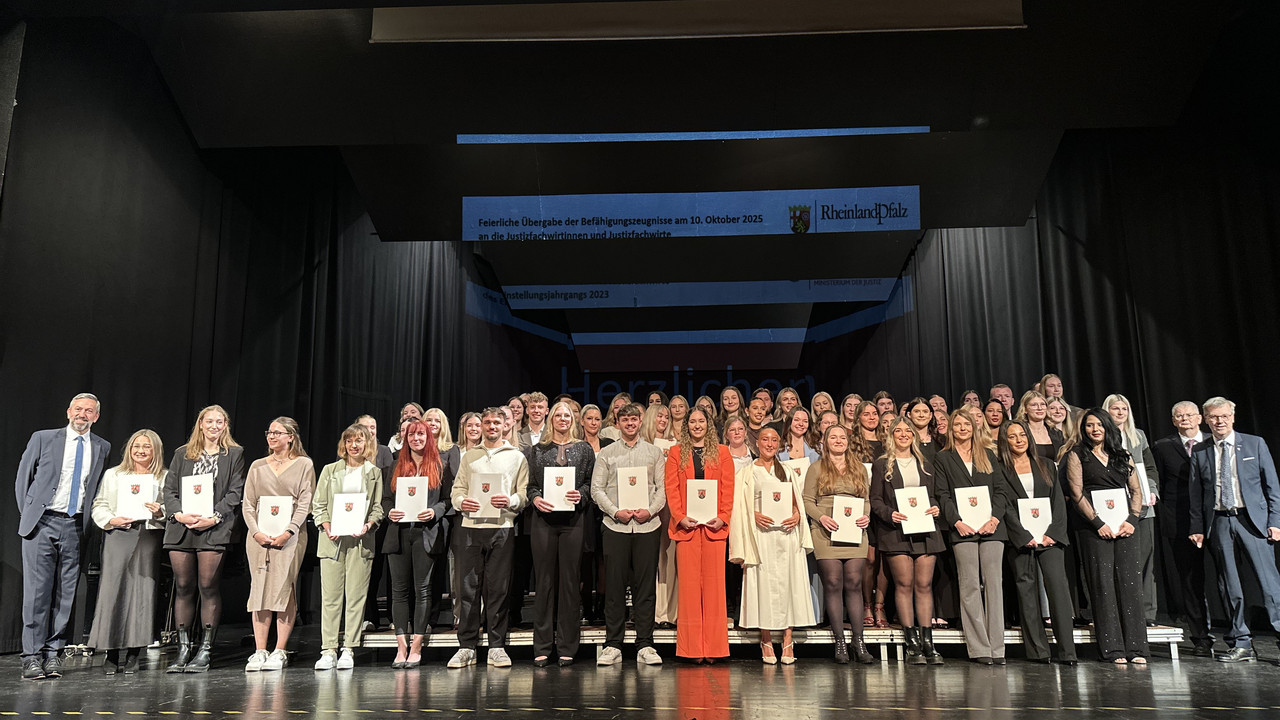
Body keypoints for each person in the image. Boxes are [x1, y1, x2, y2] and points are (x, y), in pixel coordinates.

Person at [15, 393, 111, 680]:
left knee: (66, 593)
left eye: (89, 411)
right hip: (42, 524)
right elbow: (23, 478)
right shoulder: (43, 438)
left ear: (96, 416)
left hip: (75, 526)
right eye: (78, 409)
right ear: (69, 411)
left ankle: (53, 652)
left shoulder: (102, 446)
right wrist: (30, 514)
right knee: (37, 593)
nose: (83, 414)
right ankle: (31, 656)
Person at [1189, 397, 1280, 663]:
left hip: (1252, 522)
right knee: (1230, 586)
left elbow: (1272, 487)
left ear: (1233, 417)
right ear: (1206, 419)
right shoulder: (1201, 451)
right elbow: (1196, 495)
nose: (1219, 421)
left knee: (1270, 584)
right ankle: (1241, 643)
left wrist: (1275, 521)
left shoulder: (1255, 444)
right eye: (1214, 417)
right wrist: (1196, 527)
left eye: (1224, 416)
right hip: (1219, 521)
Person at [163, 404, 245, 673]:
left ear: (225, 425)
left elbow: (235, 492)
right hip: (182, 527)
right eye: (209, 421)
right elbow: (170, 489)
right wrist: (179, 514)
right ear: (200, 424)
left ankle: (205, 650)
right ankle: (183, 649)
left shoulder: (234, 454)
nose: (213, 426)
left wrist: (214, 517)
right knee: (184, 587)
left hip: (214, 528)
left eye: (219, 422)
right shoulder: (182, 454)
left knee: (208, 586)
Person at [447, 408, 529, 668]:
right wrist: (461, 501)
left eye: (497, 422)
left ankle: (496, 646)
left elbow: (524, 493)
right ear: (481, 426)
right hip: (471, 527)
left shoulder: (517, 457)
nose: (492, 426)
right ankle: (466, 647)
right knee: (468, 588)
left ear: (506, 425)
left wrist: (512, 500)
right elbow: (457, 489)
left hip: (502, 528)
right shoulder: (470, 456)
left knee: (498, 589)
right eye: (487, 422)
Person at [1065, 409, 1148, 664]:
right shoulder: (1077, 455)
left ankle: (1136, 649)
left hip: (1125, 527)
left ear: (1108, 427)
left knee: (1130, 585)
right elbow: (1077, 494)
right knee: (1102, 585)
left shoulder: (1122, 455)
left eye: (1099, 425)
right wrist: (1098, 523)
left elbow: (1136, 491)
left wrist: (1132, 520)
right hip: (1093, 529)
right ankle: (1113, 649)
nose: (1094, 429)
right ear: (1084, 429)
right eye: (1089, 425)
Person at [729, 428, 815, 664]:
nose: (769, 443)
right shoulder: (746, 472)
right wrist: (753, 514)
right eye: (765, 439)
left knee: (789, 584)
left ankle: (788, 640)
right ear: (757, 443)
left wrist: (797, 515)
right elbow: (739, 506)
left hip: (786, 535)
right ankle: (765, 640)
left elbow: (797, 503)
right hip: (761, 536)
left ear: (780, 444)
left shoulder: (786, 470)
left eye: (774, 440)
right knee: (763, 586)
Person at [591, 402, 667, 666]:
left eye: (634, 420)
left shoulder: (654, 453)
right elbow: (596, 490)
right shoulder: (607, 453)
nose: (630, 424)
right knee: (614, 587)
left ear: (640, 421)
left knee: (645, 589)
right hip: (616, 526)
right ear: (618, 422)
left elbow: (662, 489)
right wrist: (615, 512)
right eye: (625, 420)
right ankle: (613, 645)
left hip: (647, 526)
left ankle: (645, 644)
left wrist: (649, 511)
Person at [997, 421, 1077, 665]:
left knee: (1058, 591)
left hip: (1050, 538)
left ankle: (1068, 652)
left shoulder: (1045, 465)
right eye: (1013, 436)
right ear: (1005, 441)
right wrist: (1023, 535)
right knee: (1026, 591)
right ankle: (1038, 651)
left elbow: (1058, 503)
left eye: (1023, 435)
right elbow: (1005, 507)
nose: (1019, 440)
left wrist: (1052, 532)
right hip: (1021, 538)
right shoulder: (1000, 469)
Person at [88, 428, 165, 675]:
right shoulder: (114, 474)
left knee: (142, 591)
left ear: (156, 450)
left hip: (148, 536)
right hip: (118, 535)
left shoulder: (164, 476)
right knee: (113, 591)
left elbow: (171, 508)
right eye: (136, 447)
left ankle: (134, 652)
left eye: (147, 447)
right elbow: (99, 504)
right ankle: (110, 652)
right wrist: (112, 520)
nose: (141, 451)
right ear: (129, 450)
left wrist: (159, 511)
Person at [934, 410, 1008, 665]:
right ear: (951, 429)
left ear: (975, 427)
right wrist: (956, 521)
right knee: (970, 586)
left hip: (992, 529)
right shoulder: (943, 459)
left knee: (994, 585)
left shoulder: (988, 455)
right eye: (958, 424)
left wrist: (994, 519)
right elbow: (942, 494)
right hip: (962, 530)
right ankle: (979, 648)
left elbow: (1001, 491)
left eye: (967, 423)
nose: (963, 428)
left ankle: (997, 648)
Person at [526, 401, 596, 666]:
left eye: (567, 415)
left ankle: (567, 645)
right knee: (544, 582)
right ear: (550, 418)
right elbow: (530, 486)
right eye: (558, 415)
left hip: (573, 521)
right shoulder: (537, 450)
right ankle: (542, 646)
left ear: (573, 419)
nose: (563, 419)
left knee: (569, 582)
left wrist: (582, 495)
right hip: (543, 521)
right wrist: (535, 499)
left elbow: (590, 483)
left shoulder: (584, 449)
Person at [870, 417, 944, 665]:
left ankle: (928, 643)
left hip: (925, 532)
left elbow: (934, 496)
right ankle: (911, 643)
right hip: (896, 533)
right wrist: (890, 514)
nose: (903, 435)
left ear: (914, 435)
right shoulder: (882, 465)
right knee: (904, 584)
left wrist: (935, 507)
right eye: (898, 431)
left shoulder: (925, 463)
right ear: (891, 435)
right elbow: (875, 501)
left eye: (907, 431)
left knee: (924, 585)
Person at [242, 418, 315, 672]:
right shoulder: (258, 466)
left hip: (290, 536)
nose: (271, 437)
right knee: (260, 588)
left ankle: (280, 649)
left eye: (277, 432)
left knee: (285, 587)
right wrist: (255, 532)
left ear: (291, 437)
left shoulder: (304, 464)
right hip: (259, 536)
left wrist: (289, 531)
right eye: (269, 432)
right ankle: (260, 650)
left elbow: (306, 501)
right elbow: (248, 504)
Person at [665, 408, 735, 662]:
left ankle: (714, 649)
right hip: (687, 528)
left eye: (701, 421)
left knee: (715, 589)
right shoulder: (675, 453)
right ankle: (691, 649)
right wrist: (680, 516)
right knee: (690, 589)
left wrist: (723, 516)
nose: (697, 425)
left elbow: (728, 488)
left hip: (714, 528)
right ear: (686, 426)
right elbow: (671, 488)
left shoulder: (723, 452)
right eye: (692, 421)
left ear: (708, 424)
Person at [381, 419, 452, 668]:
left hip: (426, 533)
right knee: (399, 592)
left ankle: (417, 644)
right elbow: (386, 499)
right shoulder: (396, 465)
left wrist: (434, 512)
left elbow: (447, 501)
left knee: (423, 590)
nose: (416, 439)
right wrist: (390, 512)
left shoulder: (440, 465)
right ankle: (401, 645)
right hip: (399, 534)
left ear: (428, 437)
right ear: (406, 438)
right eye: (412, 435)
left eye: (421, 434)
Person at [313, 424, 384, 670]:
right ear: (343, 444)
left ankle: (349, 648)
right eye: (350, 441)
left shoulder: (374, 472)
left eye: (359, 441)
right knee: (331, 597)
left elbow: (377, 507)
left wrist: (368, 525)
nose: (354, 445)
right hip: (332, 540)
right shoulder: (330, 470)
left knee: (355, 596)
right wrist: (326, 525)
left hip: (360, 541)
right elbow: (318, 504)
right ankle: (328, 649)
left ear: (367, 445)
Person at [802, 425, 874, 663]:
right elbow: (807, 501)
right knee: (833, 582)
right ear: (825, 441)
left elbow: (866, 500)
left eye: (842, 437)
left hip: (854, 531)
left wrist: (866, 516)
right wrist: (821, 517)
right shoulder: (816, 468)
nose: (838, 440)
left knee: (854, 582)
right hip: (826, 531)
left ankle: (859, 641)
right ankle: (840, 641)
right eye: (833, 437)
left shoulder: (859, 468)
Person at [1151, 401, 1213, 656]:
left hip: (1214, 517)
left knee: (1225, 577)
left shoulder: (1213, 441)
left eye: (1189, 414)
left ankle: (1239, 635)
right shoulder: (1163, 447)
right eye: (1179, 416)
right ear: (1173, 421)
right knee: (1189, 580)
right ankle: (1200, 638)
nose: (1185, 419)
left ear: (1200, 417)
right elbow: (1160, 484)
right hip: (1179, 521)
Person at [1104, 393, 1161, 626]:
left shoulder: (1138, 436)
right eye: (1115, 408)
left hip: (1143, 505)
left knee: (1145, 559)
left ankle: (1146, 613)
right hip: (1114, 504)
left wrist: (1153, 489)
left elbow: (1149, 467)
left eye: (1124, 409)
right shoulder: (1100, 436)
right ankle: (1122, 610)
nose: (1120, 412)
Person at [1018, 392, 1065, 462]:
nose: (1039, 408)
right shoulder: (1020, 431)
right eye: (1034, 405)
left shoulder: (1057, 433)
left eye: (1042, 404)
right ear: (1025, 409)